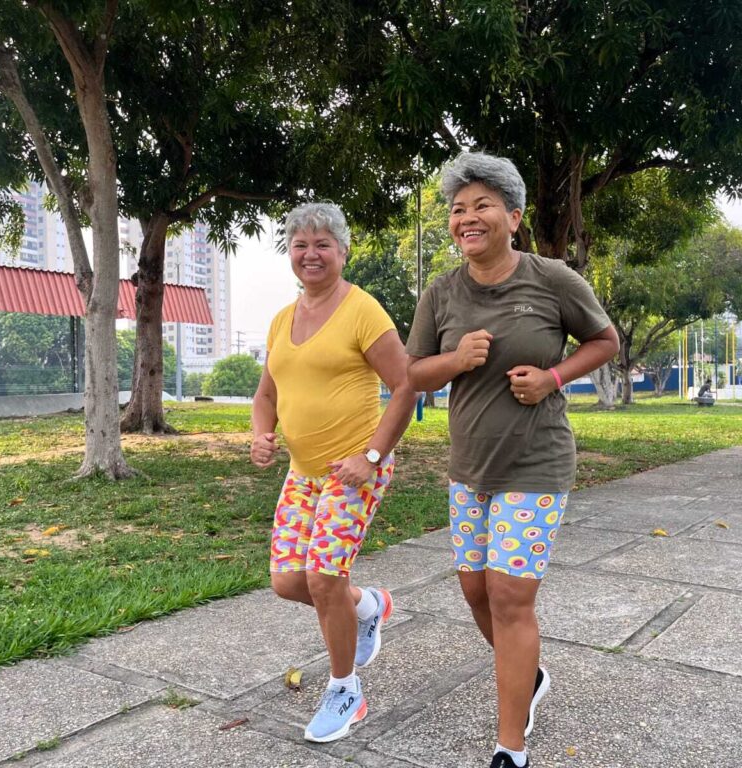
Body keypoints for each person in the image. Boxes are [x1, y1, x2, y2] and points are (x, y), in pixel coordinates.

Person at [405, 152, 620, 768]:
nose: (467, 218)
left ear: (515, 217)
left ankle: (510, 745)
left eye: (483, 206)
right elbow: (414, 374)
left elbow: (604, 340)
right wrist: (456, 360)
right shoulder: (441, 293)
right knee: (475, 591)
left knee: (509, 597)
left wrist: (554, 377)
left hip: (535, 463)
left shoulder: (552, 279)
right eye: (458, 209)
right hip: (470, 468)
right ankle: (529, 675)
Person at [250, 202, 417, 743]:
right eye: (300, 244)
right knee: (288, 581)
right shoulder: (282, 319)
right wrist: (261, 433)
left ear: (343, 251)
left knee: (324, 580)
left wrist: (371, 458)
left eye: (322, 244)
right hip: (303, 473)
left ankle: (346, 690)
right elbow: (266, 394)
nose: (311, 253)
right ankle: (369, 606)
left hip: (354, 471)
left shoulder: (363, 310)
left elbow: (407, 386)